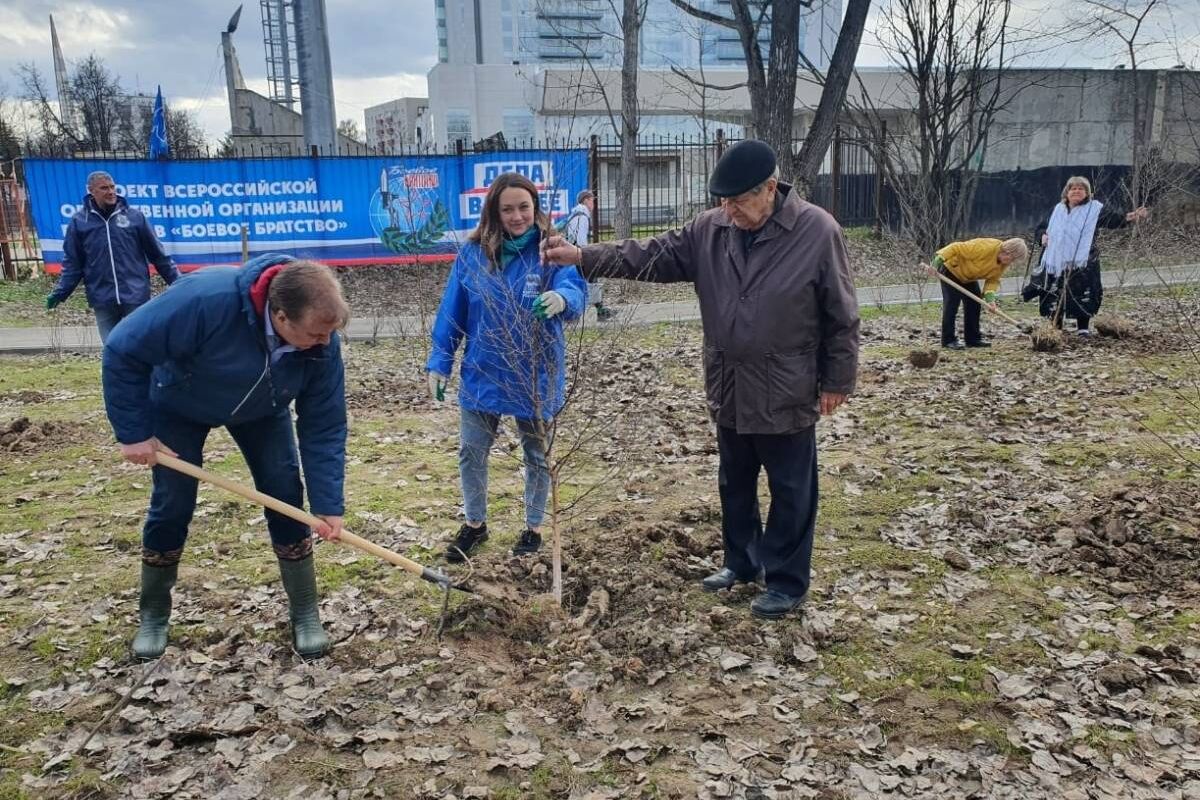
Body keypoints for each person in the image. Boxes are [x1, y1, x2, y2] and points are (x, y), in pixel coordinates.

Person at [541, 140, 859, 620]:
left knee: (792, 489)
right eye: (722, 202)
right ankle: (741, 562)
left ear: (770, 189)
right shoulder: (712, 229)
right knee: (734, 481)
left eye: (738, 202)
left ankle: (787, 581)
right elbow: (648, 254)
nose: (728, 212)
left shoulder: (816, 231)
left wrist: (838, 379)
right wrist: (582, 257)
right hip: (730, 380)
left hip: (788, 384)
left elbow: (842, 314)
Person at [102, 254, 350, 661]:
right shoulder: (206, 299)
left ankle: (305, 612)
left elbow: (323, 424)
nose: (323, 343)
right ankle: (154, 615)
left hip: (263, 409)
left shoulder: (322, 341)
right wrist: (133, 434)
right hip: (179, 403)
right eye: (315, 334)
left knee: (286, 493)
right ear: (281, 315)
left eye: (329, 334)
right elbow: (123, 349)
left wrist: (328, 504)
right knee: (173, 503)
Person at [427, 172, 587, 563]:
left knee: (536, 453)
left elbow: (576, 286)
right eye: (507, 209)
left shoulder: (551, 251)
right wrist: (440, 361)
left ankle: (532, 527)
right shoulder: (472, 254)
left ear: (536, 208)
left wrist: (562, 299)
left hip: (536, 372)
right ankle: (475, 524)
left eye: (524, 207)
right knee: (471, 451)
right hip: (483, 370)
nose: (517, 216)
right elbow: (453, 310)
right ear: (494, 213)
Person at [46, 170, 179, 343]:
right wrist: (60, 293)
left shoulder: (134, 217)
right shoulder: (79, 222)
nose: (110, 192)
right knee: (111, 349)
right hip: (102, 298)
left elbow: (159, 255)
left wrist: (180, 283)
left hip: (135, 295)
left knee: (141, 345)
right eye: (103, 188)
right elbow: (73, 263)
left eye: (112, 187)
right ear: (91, 191)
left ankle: (143, 371)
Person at [1025, 176, 1149, 335]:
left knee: (1082, 292)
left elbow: (1113, 220)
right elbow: (1041, 228)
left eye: (1080, 189)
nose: (1076, 191)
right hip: (1055, 260)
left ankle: (1082, 327)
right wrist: (1042, 236)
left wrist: (1131, 217)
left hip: (1084, 261)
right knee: (1053, 292)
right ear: (1067, 192)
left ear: (1087, 192)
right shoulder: (1057, 209)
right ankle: (1055, 326)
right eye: (1073, 188)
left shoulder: (1094, 209)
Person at [929, 237, 1028, 350]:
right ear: (1008, 251)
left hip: (968, 277)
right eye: (1012, 258)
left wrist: (990, 300)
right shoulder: (985, 247)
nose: (1011, 262)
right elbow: (955, 247)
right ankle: (948, 340)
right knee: (952, 304)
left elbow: (993, 280)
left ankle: (972, 339)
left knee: (974, 303)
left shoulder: (1003, 263)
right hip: (952, 270)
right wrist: (937, 262)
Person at [563, 190, 614, 321]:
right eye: (592, 200)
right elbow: (580, 240)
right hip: (578, 254)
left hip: (571, 253)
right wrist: (586, 255)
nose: (593, 204)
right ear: (586, 200)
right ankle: (599, 311)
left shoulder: (575, 214)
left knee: (590, 280)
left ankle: (600, 310)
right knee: (590, 279)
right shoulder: (582, 216)